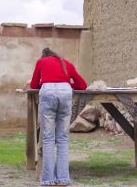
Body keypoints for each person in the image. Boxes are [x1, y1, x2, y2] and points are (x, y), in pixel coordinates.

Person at [30, 47, 88, 186]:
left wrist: (45, 82)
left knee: (48, 138)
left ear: (44, 56)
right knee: (62, 138)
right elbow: (83, 85)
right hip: (66, 92)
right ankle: (63, 179)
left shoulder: (41, 62)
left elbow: (33, 84)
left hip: (48, 92)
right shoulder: (67, 63)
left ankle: (48, 180)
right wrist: (67, 83)